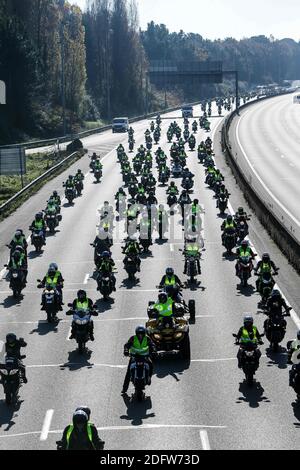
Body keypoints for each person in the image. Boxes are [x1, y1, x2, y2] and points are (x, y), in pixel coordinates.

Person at [122, 326, 156, 395]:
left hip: (144, 356)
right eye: (139, 333)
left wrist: (154, 350)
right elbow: (127, 345)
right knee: (128, 372)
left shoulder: (147, 338)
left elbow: (152, 345)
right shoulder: (133, 338)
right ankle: (124, 388)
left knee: (151, 365)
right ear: (136, 333)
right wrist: (126, 350)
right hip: (134, 356)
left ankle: (149, 377)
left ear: (144, 333)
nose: (140, 335)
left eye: (142, 333)